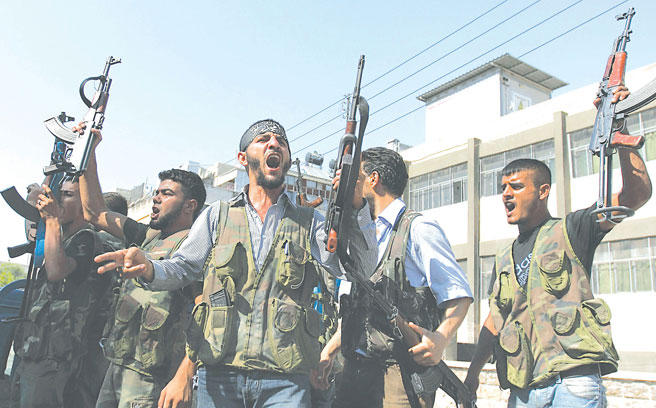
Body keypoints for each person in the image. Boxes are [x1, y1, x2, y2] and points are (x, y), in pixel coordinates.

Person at [95, 119, 377, 408]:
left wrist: (358, 208)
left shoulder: (309, 222)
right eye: (263, 139)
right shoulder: (217, 216)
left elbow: (361, 270)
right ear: (243, 158)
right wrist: (150, 268)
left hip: (286, 381)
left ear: (287, 160)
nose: (274, 143)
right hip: (220, 376)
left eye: (281, 142)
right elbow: (182, 267)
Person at [464, 148, 651, 406]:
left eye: (516, 186)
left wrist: (623, 141)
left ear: (543, 191)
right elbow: (495, 320)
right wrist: (472, 374)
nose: (506, 193)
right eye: (503, 188)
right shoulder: (503, 258)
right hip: (524, 390)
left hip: (573, 383)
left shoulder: (572, 229)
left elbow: (635, 195)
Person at [324, 147, 473, 408]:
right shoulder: (361, 235)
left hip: (399, 374)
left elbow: (459, 294)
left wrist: (441, 339)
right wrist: (328, 353)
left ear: (373, 179)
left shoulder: (418, 228)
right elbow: (357, 309)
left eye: (354, 177)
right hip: (354, 370)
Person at [77, 126, 207, 408]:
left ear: (190, 205)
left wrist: (185, 374)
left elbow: (205, 313)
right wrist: (89, 150)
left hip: (154, 381)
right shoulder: (146, 236)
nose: (156, 198)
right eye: (156, 192)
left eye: (166, 193)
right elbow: (94, 212)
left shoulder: (194, 249)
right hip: (117, 365)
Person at [14, 178, 122, 408]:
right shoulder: (64, 238)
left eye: (68, 195)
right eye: (59, 193)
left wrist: (52, 219)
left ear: (85, 207)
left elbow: (56, 271)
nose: (59, 200)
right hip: (37, 349)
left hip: (54, 356)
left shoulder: (87, 240)